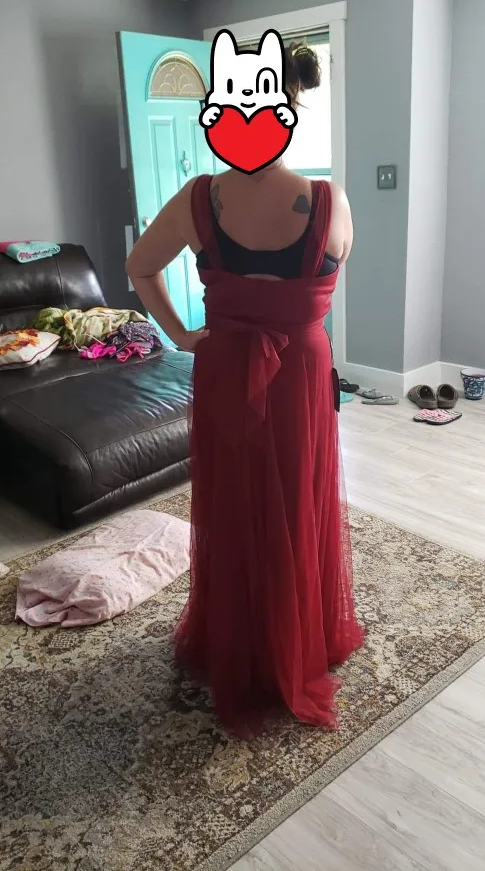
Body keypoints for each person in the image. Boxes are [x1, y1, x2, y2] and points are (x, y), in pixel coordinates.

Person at [126, 42, 364, 736]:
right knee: (297, 498)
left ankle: (241, 635)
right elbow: (329, 273)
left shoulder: (200, 198)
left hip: (226, 364)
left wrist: (182, 334)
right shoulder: (326, 201)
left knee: (234, 500)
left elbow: (140, 266)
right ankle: (298, 635)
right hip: (299, 371)